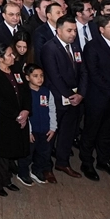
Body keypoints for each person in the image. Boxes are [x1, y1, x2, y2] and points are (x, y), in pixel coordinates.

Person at [80, 15, 110, 181]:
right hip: (98, 98)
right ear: (101, 29)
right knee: (91, 132)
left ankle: (103, 160)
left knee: (108, 132)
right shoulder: (92, 46)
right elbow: (94, 73)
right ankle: (86, 163)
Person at [39, 15, 87, 178]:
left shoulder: (75, 46)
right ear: (58, 31)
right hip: (57, 98)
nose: (73, 33)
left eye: (74, 30)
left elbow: (84, 71)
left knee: (68, 133)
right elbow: (54, 76)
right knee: (51, 134)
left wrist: (80, 93)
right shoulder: (49, 48)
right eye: (69, 30)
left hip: (75, 98)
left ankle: (63, 162)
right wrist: (71, 95)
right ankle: (46, 167)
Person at [0, 43, 31, 188]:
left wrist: (26, 110)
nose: (13, 57)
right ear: (0, 58)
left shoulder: (16, 68)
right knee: (0, 153)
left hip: (19, 118)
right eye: (9, 55)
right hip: (3, 120)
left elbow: (25, 91)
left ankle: (7, 179)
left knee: (11, 152)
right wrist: (16, 115)